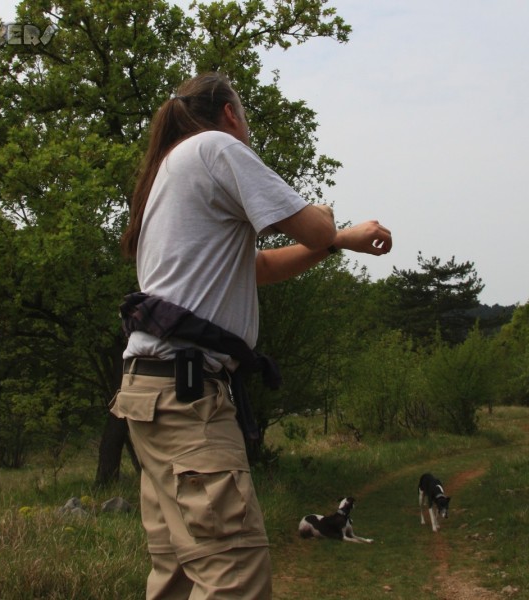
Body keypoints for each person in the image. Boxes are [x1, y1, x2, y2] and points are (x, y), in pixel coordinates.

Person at [112, 72, 392, 599]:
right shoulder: (217, 148)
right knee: (233, 575)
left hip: (150, 397)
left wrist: (336, 243)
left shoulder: (168, 175)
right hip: (188, 398)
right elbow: (311, 225)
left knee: (177, 573)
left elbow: (258, 267)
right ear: (230, 115)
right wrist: (332, 224)